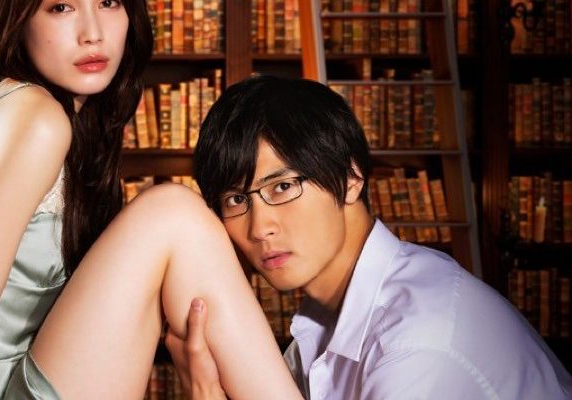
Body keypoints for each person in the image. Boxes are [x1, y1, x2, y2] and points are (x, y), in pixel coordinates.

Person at [0, 1, 304, 399]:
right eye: (61, 7)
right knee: (173, 213)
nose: (92, 33)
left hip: (15, 380)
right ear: (17, 19)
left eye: (108, 2)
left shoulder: (14, 105)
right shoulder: (35, 118)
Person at [167, 75, 572, 399]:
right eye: (237, 199)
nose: (259, 228)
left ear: (351, 178)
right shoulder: (327, 319)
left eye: (283, 187)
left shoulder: (416, 345)